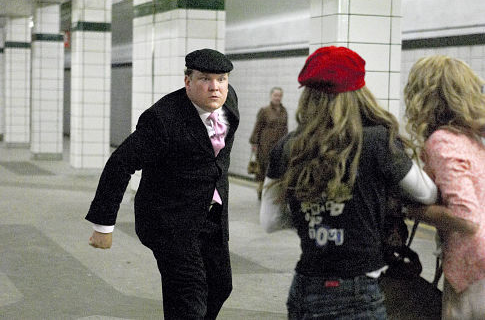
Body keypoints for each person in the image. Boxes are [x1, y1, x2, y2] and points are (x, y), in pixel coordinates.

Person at [259, 46, 443, 319]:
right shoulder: (378, 141)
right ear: (359, 91)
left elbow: (270, 221)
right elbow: (427, 193)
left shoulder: (287, 147)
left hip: (305, 284)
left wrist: (317, 211)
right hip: (357, 289)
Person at [85, 48, 239, 320]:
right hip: (169, 221)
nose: (215, 87)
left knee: (220, 286)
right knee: (189, 296)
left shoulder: (229, 103)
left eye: (222, 79)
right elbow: (120, 164)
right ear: (187, 82)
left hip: (211, 216)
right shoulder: (163, 121)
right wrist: (103, 225)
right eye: (205, 79)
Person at [404, 54, 485, 319]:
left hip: (471, 268)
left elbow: (466, 216)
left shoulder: (443, 141)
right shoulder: (472, 137)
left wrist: (413, 211)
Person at [249, 86, 288, 199]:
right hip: (265, 146)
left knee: (277, 168)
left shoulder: (284, 111)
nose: (277, 98)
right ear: (271, 96)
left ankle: (272, 193)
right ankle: (261, 192)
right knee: (262, 170)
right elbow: (257, 128)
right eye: (275, 95)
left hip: (279, 145)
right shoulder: (264, 111)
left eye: (280, 95)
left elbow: (285, 128)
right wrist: (254, 143)